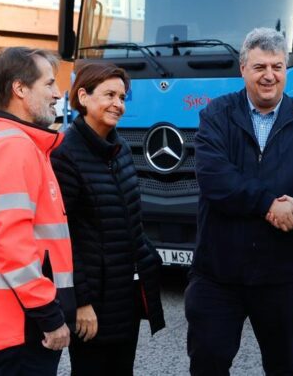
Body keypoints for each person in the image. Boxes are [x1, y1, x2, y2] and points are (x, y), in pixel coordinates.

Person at [187, 28, 293, 376]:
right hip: (219, 274)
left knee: (284, 368)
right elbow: (215, 179)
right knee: (208, 362)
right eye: (260, 66)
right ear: (243, 69)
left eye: (277, 67)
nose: (269, 76)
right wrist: (268, 203)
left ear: (286, 70)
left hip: (284, 275)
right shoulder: (216, 116)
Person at [50, 64, 165, 376]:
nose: (118, 103)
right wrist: (81, 302)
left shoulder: (121, 147)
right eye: (109, 95)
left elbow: (129, 221)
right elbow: (64, 237)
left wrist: (148, 260)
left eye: (122, 97)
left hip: (124, 295)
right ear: (83, 97)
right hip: (93, 302)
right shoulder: (66, 154)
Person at [0, 47, 75, 375]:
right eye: (49, 84)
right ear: (20, 89)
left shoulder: (12, 142)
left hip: (15, 319)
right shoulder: (15, 147)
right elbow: (13, 244)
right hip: (23, 323)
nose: (58, 94)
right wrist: (49, 316)